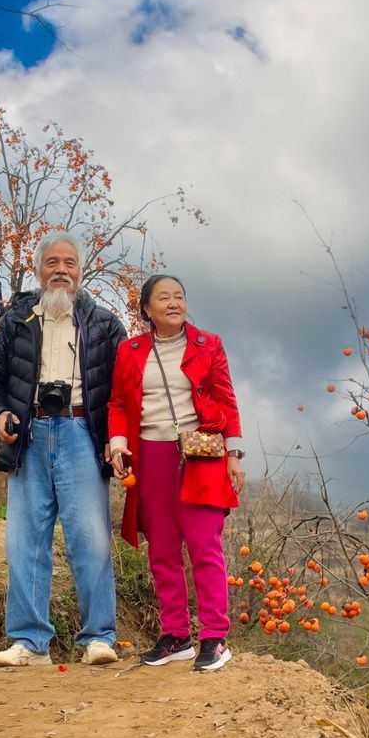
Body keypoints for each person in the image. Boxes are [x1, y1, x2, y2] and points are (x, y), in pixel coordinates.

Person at [0, 231, 127, 668]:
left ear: (81, 272)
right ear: (39, 270)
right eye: (52, 263)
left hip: (83, 432)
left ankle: (99, 637)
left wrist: (118, 438)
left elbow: (123, 387)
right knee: (24, 541)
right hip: (27, 433)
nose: (61, 270)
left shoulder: (103, 323)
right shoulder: (14, 319)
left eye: (70, 263)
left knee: (90, 539)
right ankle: (28, 641)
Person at [108, 274, 245, 672]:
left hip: (201, 452)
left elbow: (225, 397)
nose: (173, 303)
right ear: (146, 309)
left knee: (204, 545)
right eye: (163, 298)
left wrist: (234, 454)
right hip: (150, 454)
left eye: (179, 296)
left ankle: (215, 637)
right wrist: (118, 442)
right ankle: (176, 635)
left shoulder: (208, 344)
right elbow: (118, 402)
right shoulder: (129, 350)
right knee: (163, 549)